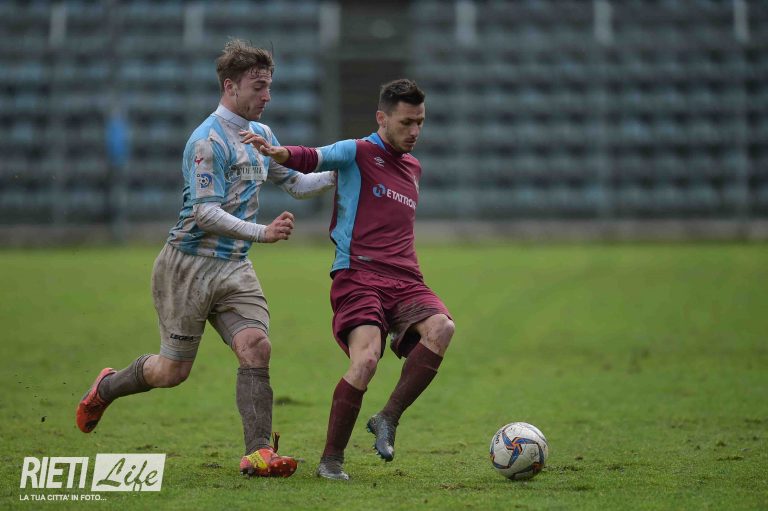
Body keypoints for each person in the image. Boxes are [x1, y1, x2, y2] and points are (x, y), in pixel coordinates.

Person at [75, 39, 336, 478]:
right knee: (172, 372)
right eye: (258, 87)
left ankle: (258, 453)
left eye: (269, 86)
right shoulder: (207, 141)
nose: (267, 96)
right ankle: (107, 386)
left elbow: (296, 183)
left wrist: (345, 171)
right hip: (188, 265)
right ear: (230, 87)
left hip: (234, 267)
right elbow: (205, 214)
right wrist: (263, 232)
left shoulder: (263, 136)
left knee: (256, 346)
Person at [241, 78, 455, 480]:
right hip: (359, 275)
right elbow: (313, 156)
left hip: (406, 278)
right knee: (367, 360)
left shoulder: (414, 168)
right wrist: (279, 152)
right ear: (382, 118)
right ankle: (331, 460)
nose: (415, 131)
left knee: (442, 328)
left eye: (420, 122)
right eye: (406, 122)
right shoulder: (357, 151)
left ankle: (387, 417)